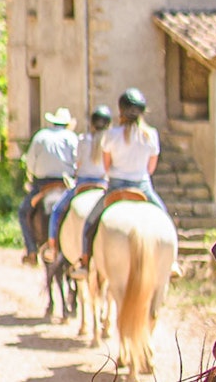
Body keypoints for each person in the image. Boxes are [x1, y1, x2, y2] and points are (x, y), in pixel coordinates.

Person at [73, 88, 170, 275]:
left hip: (116, 186)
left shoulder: (111, 135)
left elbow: (106, 166)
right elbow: (151, 168)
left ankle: (85, 261)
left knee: (90, 223)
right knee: (164, 218)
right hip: (142, 186)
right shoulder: (151, 135)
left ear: (121, 111)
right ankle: (172, 263)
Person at [43, 105, 113, 260]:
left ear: (92, 123)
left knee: (56, 210)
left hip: (82, 183)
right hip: (104, 184)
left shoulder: (83, 139)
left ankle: (52, 247)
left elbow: (78, 164)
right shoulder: (111, 141)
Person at [18, 106, 78, 266]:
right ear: (66, 124)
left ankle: (31, 250)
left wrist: (33, 174)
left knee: (23, 212)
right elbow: (77, 163)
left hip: (43, 185)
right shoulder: (72, 137)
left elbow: (30, 163)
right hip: (66, 183)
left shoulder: (40, 136)